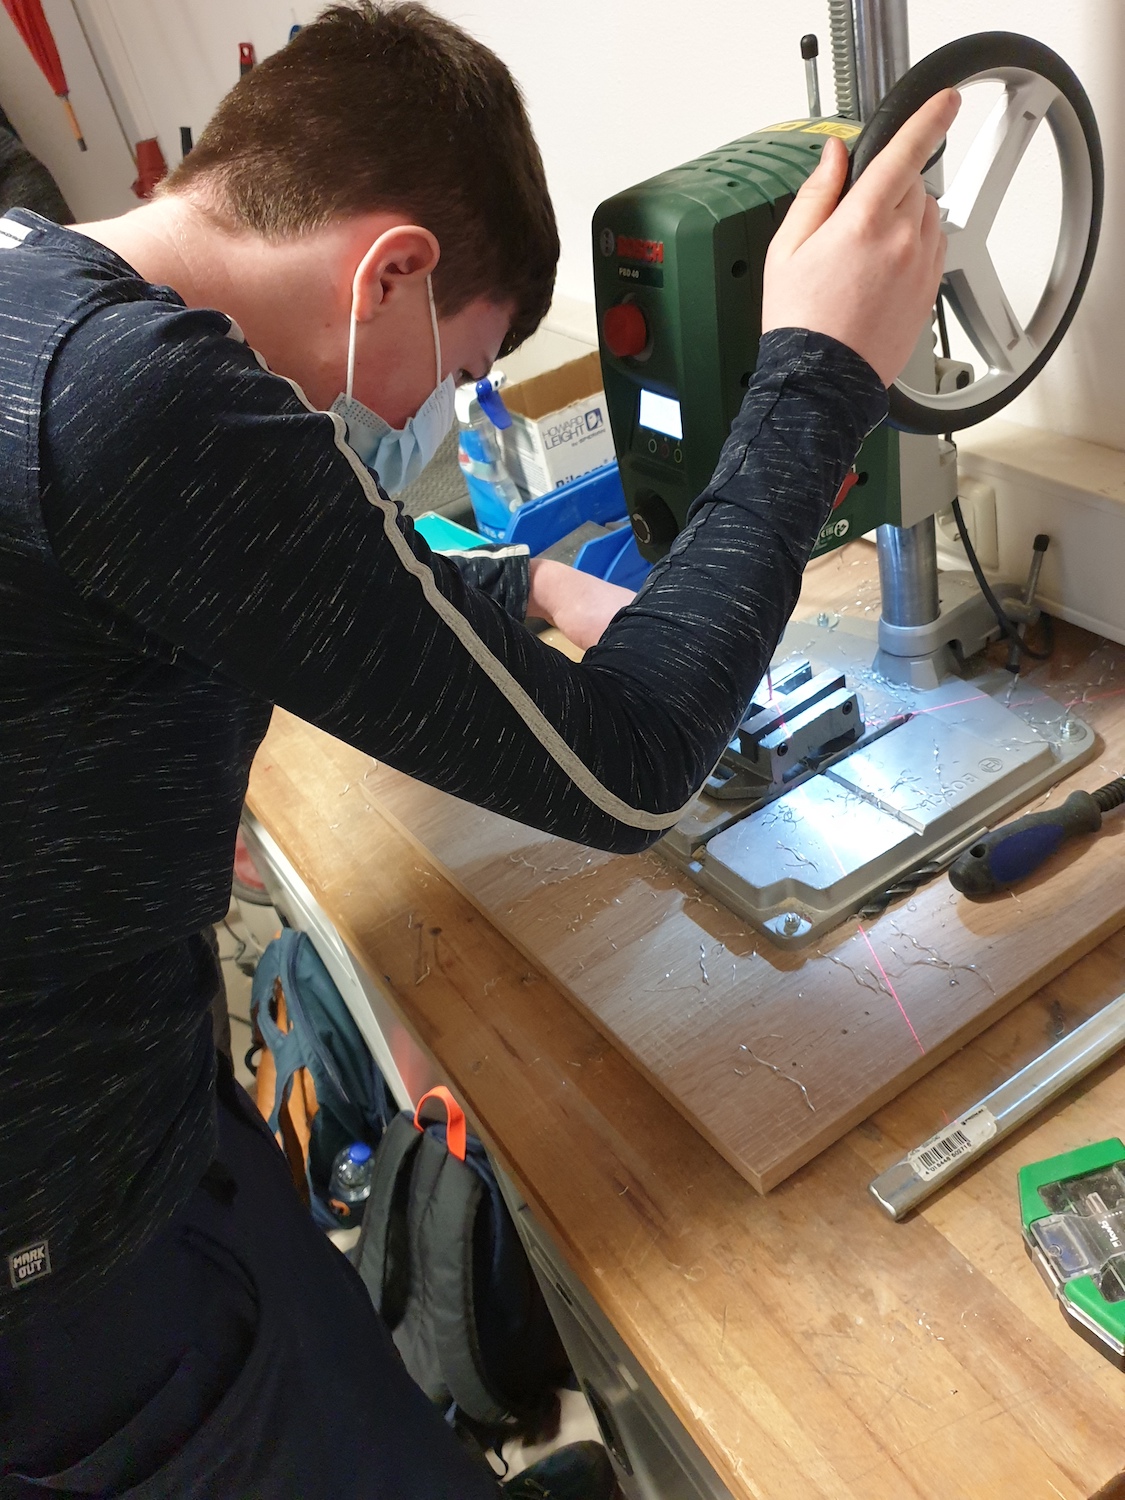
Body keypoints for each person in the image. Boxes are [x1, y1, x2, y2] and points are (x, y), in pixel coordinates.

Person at [0, 0, 957, 1493]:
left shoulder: (39, 283)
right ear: (389, 271)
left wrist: (527, 586)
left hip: (137, 1091)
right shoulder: (147, 399)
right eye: (453, 373)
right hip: (63, 1254)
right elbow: (632, 764)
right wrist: (819, 370)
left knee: (354, 1400)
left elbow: (303, 561)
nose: (429, 418)